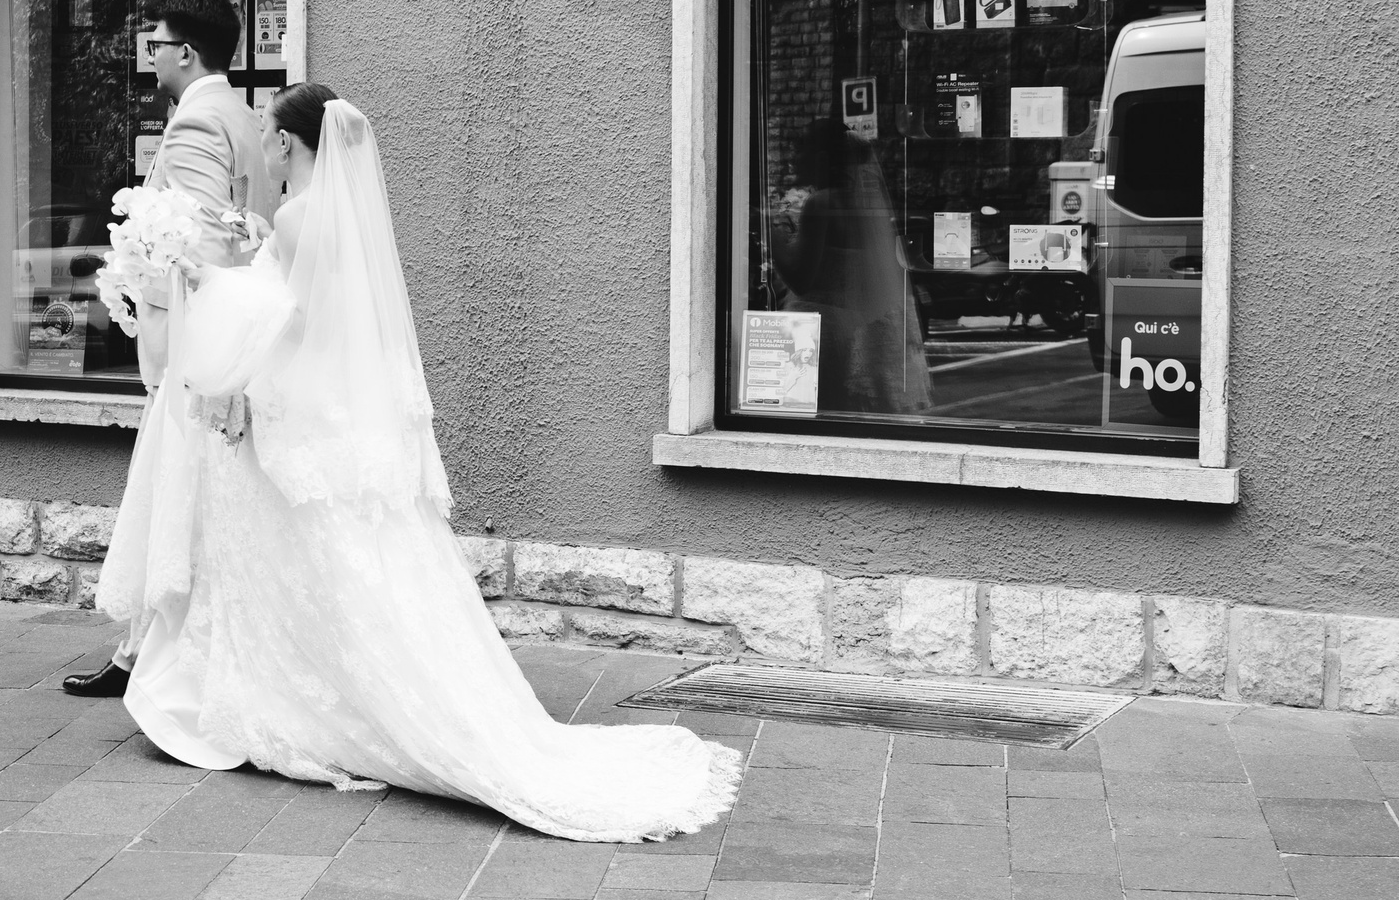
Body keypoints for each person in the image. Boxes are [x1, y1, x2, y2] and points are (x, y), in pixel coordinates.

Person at [96, 85, 742, 841]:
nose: (263, 142)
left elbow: (287, 323)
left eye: (271, 131)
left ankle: (302, 701)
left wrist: (205, 284)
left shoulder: (303, 218)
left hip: (288, 408)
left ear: (293, 143)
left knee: (306, 567)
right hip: (327, 410)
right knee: (352, 568)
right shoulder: (322, 217)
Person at [63, 0, 270, 700]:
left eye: (154, 43)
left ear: (184, 51)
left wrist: (141, 271)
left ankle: (152, 656)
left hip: (192, 348)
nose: (148, 57)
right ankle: (146, 648)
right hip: (226, 343)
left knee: (176, 502)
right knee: (191, 505)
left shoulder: (194, 125)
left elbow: (202, 238)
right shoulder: (243, 116)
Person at [771, 119, 930, 415]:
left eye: (802, 152)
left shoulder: (821, 203)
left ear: (821, 157)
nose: (796, 160)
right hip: (853, 330)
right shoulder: (861, 205)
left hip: (818, 333)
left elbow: (801, 279)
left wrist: (773, 235)